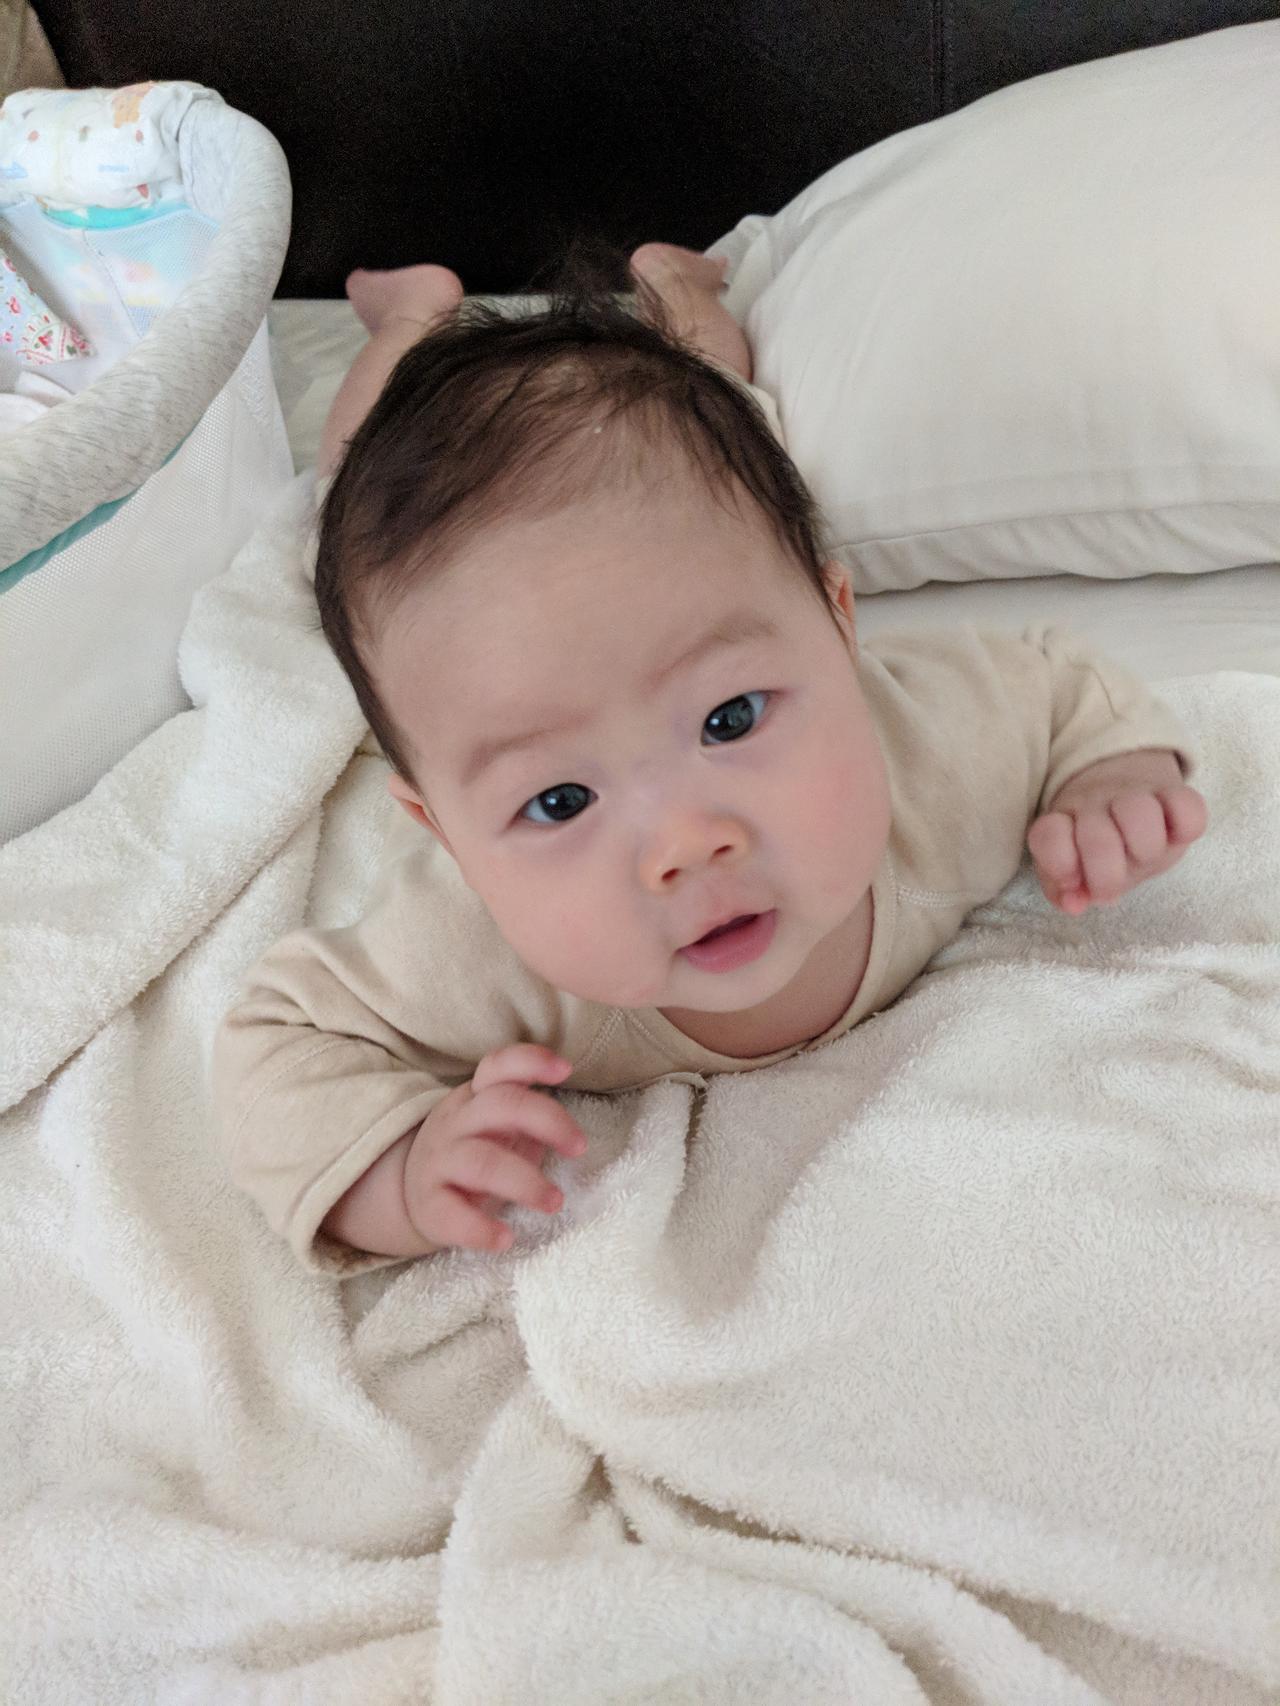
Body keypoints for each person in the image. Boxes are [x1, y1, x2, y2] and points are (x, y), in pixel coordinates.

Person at [212, 242, 1207, 1274]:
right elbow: (279, 1040)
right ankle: (412, 322)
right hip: (423, 541)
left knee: (713, 405)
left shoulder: (934, 749)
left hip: (672, 469)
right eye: (558, 800)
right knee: (351, 494)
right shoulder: (474, 954)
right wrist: (400, 1174)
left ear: (838, 626)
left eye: (729, 719)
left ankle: (678, 291)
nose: (685, 844)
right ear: (447, 836)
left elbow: (1057, 683)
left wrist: (1108, 776)